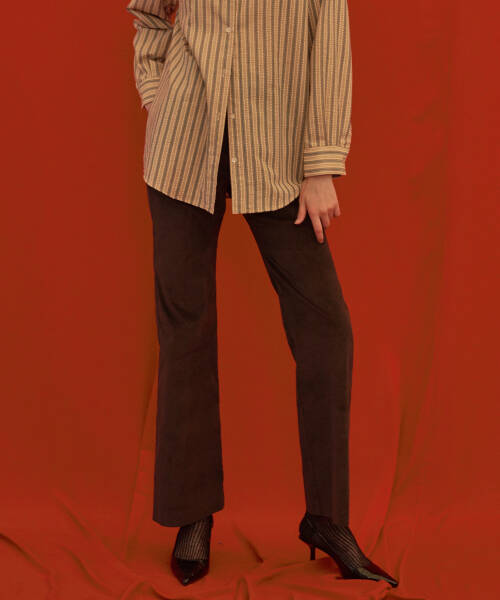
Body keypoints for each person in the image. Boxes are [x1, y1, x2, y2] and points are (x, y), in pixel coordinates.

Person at [125, 0, 398, 588]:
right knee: (185, 332)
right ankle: (193, 516)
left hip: (275, 152)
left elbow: (329, 40)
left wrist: (320, 165)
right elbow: (150, 14)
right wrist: (156, 94)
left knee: (326, 328)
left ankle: (328, 519)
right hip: (183, 144)